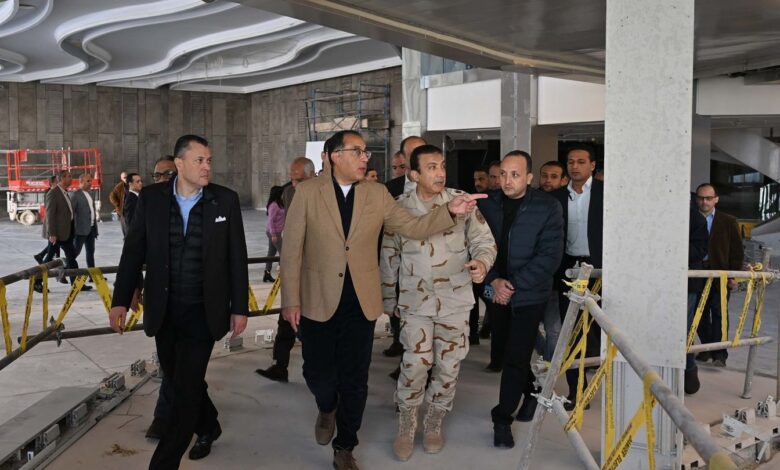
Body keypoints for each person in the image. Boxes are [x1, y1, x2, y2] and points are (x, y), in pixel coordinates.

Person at [280, 130, 485, 470]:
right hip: (317, 298)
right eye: (358, 151)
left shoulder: (376, 194)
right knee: (317, 373)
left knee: (355, 378)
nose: (366, 157)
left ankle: (345, 446)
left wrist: (450, 210)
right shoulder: (308, 192)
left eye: (366, 152)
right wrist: (291, 299)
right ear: (335, 156)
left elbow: (413, 227)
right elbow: (291, 249)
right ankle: (327, 407)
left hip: (361, 301)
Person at [109, 134, 249, 469]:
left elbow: (236, 257)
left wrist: (239, 308)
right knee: (180, 381)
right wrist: (120, 300)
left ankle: (163, 463)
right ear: (180, 164)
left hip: (204, 311)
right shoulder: (152, 199)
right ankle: (209, 424)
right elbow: (134, 252)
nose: (207, 166)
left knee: (183, 396)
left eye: (209, 160)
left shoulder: (224, 200)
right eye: (200, 160)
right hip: (165, 311)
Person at [381, 145, 496, 460]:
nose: (440, 173)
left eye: (442, 165)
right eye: (431, 167)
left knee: (448, 366)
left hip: (455, 300)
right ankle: (407, 423)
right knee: (415, 364)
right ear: (414, 174)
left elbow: (484, 241)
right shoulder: (399, 207)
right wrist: (388, 296)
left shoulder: (462, 201)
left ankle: (434, 420)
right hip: (415, 302)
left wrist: (482, 263)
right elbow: (389, 256)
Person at [478, 151, 563, 448]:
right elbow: (475, 246)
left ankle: (502, 418)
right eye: (503, 174)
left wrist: (511, 285)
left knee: (516, 356)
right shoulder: (487, 203)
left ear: (528, 177)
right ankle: (531, 391)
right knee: (506, 350)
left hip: (529, 294)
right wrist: (493, 281)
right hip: (495, 291)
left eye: (515, 175)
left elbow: (549, 256)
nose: (507, 180)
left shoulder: (547, 207)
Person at [551, 145, 603, 410]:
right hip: (569, 269)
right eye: (570, 162)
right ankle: (577, 390)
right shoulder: (556, 197)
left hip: (601, 269)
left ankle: (611, 383)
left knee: (602, 328)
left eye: (581, 161)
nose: (574, 166)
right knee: (571, 330)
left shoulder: (606, 194)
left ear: (592, 165)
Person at [255, 157, 315, 384]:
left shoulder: (323, 194)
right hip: (293, 267)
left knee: (309, 324)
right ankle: (280, 365)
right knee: (286, 318)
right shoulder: (289, 192)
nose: (294, 184)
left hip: (315, 272)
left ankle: (316, 371)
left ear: (312, 176)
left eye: (299, 180)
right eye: (292, 179)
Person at [384, 136, 427, 370]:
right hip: (400, 263)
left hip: (429, 266)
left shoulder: (443, 187)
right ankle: (399, 346)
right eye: (412, 153)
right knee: (399, 309)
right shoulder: (390, 189)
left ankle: (416, 366)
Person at [144, 155, 178, 441]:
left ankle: (164, 415)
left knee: (185, 366)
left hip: (195, 301)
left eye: (166, 174)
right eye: (157, 175)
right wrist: (130, 287)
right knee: (172, 364)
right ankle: (206, 421)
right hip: (161, 298)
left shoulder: (208, 202)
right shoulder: (149, 204)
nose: (160, 180)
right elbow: (135, 247)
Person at [694, 183, 743, 368]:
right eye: (701, 198)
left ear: (716, 199)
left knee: (719, 313)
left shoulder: (728, 221)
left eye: (708, 198)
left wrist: (733, 276)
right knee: (698, 314)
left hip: (720, 274)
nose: (704, 202)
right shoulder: (690, 219)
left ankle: (720, 354)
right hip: (696, 272)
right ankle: (707, 348)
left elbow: (736, 251)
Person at [534, 160, 567, 361]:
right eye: (544, 175)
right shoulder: (531, 199)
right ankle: (547, 359)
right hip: (531, 273)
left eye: (554, 176)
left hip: (557, 275)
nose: (547, 180)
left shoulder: (566, 204)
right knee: (526, 326)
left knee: (553, 327)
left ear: (563, 180)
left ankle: (550, 367)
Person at [43, 170, 91, 290]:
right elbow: (49, 215)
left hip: (66, 232)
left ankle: (76, 284)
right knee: (49, 259)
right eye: (69, 176)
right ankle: (37, 281)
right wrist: (52, 233)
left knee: (71, 258)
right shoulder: (53, 193)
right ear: (61, 179)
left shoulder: (64, 192)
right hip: (57, 234)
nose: (71, 179)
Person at [686, 195, 708, 394]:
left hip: (687, 284)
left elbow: (699, 251)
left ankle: (689, 369)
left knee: (684, 331)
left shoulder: (696, 219)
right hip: (660, 282)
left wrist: (674, 247)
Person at [70, 173, 99, 270]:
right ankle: (64, 270)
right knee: (74, 253)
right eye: (88, 181)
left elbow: (91, 211)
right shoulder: (75, 195)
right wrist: (72, 230)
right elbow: (71, 213)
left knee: (90, 253)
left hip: (91, 229)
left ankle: (92, 275)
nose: (90, 183)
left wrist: (95, 228)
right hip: (80, 230)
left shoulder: (90, 194)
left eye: (91, 181)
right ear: (81, 182)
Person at [264, 185, 285, 282]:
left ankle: (267, 274)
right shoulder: (274, 205)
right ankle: (282, 273)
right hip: (274, 232)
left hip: (277, 232)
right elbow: (271, 221)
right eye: (282, 193)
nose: (283, 194)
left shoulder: (279, 203)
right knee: (283, 252)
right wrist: (273, 235)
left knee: (271, 253)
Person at [109, 171, 128, 235]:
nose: (126, 179)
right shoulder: (119, 187)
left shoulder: (132, 184)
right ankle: (126, 239)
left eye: (127, 177)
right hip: (123, 210)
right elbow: (111, 196)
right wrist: (117, 204)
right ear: (121, 178)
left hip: (132, 209)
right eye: (124, 178)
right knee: (125, 227)